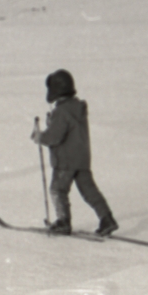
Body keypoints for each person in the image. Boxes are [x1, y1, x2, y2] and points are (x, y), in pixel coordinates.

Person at [31, 69, 119, 237]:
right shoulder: (77, 108)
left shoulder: (61, 111)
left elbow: (54, 137)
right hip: (82, 160)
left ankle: (63, 222)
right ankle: (107, 219)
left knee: (58, 190)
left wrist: (40, 136)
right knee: (89, 191)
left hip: (65, 161)